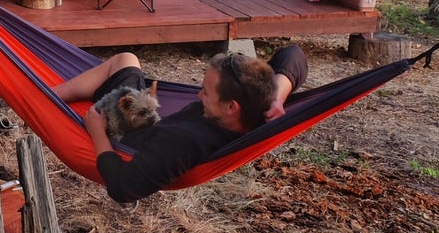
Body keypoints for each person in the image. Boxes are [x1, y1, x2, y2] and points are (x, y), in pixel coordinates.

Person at [52, 46, 308, 203]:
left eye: (206, 93)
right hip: (150, 122)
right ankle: (48, 91)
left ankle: (44, 94)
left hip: (121, 134)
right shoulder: (257, 108)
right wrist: (277, 95)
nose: (198, 96)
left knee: (123, 63)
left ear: (231, 106)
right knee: (126, 60)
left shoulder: (184, 142)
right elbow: (294, 55)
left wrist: (98, 132)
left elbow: (123, 188)